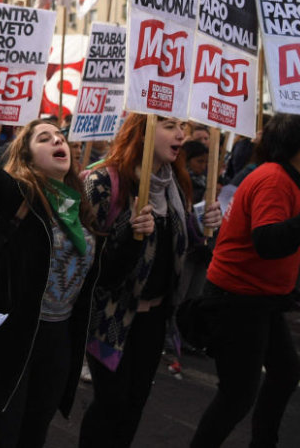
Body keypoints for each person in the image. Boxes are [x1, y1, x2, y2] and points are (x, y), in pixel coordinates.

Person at [190, 114, 300, 447]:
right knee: (238, 395)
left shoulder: (292, 180)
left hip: (261, 300)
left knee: (286, 374)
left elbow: (292, 219)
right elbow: (269, 241)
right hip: (237, 300)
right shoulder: (273, 180)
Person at [0, 87, 98, 446]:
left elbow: (101, 278)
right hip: (11, 335)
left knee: (33, 437)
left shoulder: (79, 207)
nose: (58, 140)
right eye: (45, 137)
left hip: (57, 341)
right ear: (27, 156)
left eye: (60, 137)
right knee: (1, 438)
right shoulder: (20, 198)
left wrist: (134, 237)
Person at [78, 113, 221, 448]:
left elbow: (173, 251)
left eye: (182, 127)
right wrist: (129, 236)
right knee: (109, 406)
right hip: (110, 318)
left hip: (155, 320)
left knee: (134, 405)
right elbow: (91, 266)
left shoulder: (175, 183)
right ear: (141, 132)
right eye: (170, 126)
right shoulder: (102, 182)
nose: (181, 135)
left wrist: (200, 228)